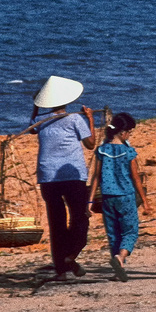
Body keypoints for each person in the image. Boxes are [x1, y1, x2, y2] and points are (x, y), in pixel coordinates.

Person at [27, 75, 95, 280]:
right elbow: (91, 144)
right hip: (72, 175)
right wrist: (90, 118)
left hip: (48, 177)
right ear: (66, 101)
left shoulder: (40, 121)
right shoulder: (75, 119)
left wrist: (37, 106)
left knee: (56, 222)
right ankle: (70, 256)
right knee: (80, 217)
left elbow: (32, 125)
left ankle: (62, 267)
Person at [91, 112, 147, 282]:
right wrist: (145, 201)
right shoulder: (129, 152)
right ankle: (120, 258)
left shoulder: (102, 150)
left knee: (113, 234)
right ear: (123, 133)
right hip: (126, 196)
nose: (130, 135)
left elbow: (96, 177)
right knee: (130, 231)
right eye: (130, 132)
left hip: (108, 197)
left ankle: (118, 270)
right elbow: (136, 178)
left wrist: (90, 201)